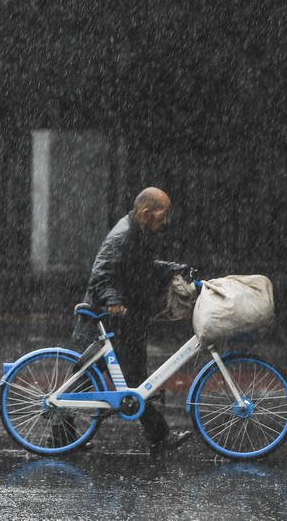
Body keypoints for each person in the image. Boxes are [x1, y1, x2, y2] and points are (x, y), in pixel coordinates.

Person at [72, 186, 192, 452]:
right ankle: (159, 437)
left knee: (119, 378)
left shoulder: (139, 232)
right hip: (108, 318)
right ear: (146, 213)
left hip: (126, 319)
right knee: (102, 378)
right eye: (163, 213)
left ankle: (63, 437)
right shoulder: (123, 236)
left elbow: (139, 267)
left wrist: (170, 268)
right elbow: (100, 273)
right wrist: (113, 301)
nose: (166, 220)